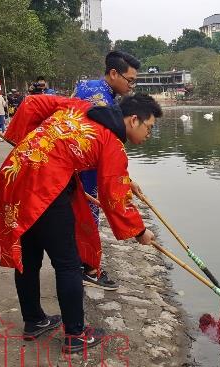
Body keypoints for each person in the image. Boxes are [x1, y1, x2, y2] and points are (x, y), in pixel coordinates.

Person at [0, 93, 162, 353]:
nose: (149, 134)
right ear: (134, 119)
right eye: (149, 128)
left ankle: (34, 321)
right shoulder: (112, 141)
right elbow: (114, 196)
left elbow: (32, 103)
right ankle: (75, 335)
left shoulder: (82, 107)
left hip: (18, 174)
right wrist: (139, 231)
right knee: (68, 264)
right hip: (46, 189)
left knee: (30, 255)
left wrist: (26, 141)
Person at [73, 50, 141, 290]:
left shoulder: (93, 88)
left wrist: (127, 178)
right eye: (129, 80)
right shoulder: (99, 97)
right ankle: (88, 269)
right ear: (113, 73)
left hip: (81, 162)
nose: (131, 86)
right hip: (84, 166)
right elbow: (111, 137)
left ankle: (81, 265)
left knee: (83, 214)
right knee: (88, 215)